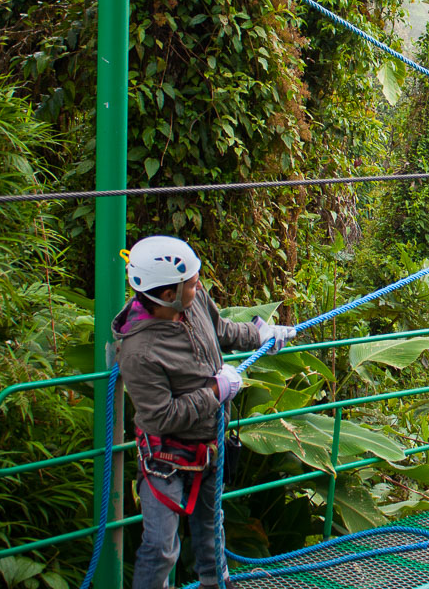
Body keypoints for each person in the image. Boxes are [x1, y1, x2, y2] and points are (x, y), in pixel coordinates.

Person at [113, 235, 296, 589]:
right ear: (167, 294)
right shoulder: (139, 352)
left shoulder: (190, 303)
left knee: (212, 533)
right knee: (161, 547)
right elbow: (161, 416)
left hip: (209, 448)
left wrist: (260, 335)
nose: (199, 288)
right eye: (193, 284)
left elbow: (220, 329)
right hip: (164, 459)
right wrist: (215, 391)